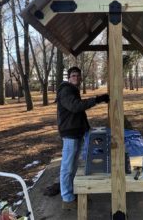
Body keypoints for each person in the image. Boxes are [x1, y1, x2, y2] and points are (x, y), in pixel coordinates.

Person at [57, 66, 109, 210]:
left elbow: (79, 114)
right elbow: (76, 107)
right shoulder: (65, 90)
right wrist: (97, 99)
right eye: (74, 75)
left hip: (77, 132)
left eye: (78, 76)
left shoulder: (73, 90)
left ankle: (72, 192)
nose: (77, 78)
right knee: (67, 166)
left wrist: (88, 130)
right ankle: (67, 199)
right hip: (69, 133)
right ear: (68, 77)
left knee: (73, 164)